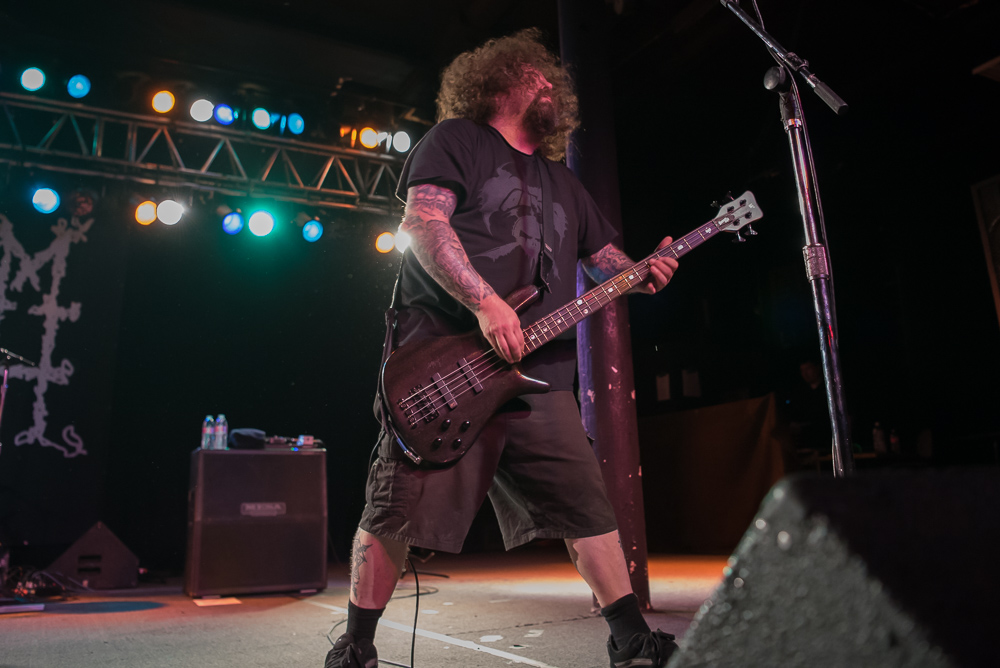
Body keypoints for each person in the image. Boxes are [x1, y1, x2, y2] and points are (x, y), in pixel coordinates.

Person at [325, 28, 680, 668]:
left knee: (587, 508)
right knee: (396, 507)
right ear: (500, 81)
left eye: (552, 81)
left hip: (540, 376)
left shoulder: (565, 183)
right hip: (448, 363)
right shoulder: (457, 140)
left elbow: (607, 264)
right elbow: (423, 223)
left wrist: (647, 269)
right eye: (537, 77)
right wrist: (487, 303)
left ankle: (629, 638)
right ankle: (356, 647)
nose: (550, 86)